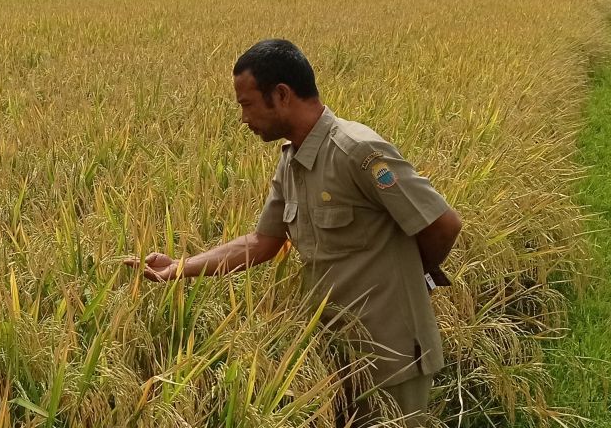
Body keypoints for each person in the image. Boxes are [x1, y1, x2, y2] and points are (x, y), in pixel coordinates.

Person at [125, 39, 462, 426]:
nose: (243, 119)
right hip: (334, 355)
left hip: (392, 356)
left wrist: (411, 273)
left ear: (281, 95)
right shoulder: (292, 162)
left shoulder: (357, 152)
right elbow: (262, 242)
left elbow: (442, 224)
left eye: (247, 104)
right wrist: (179, 267)